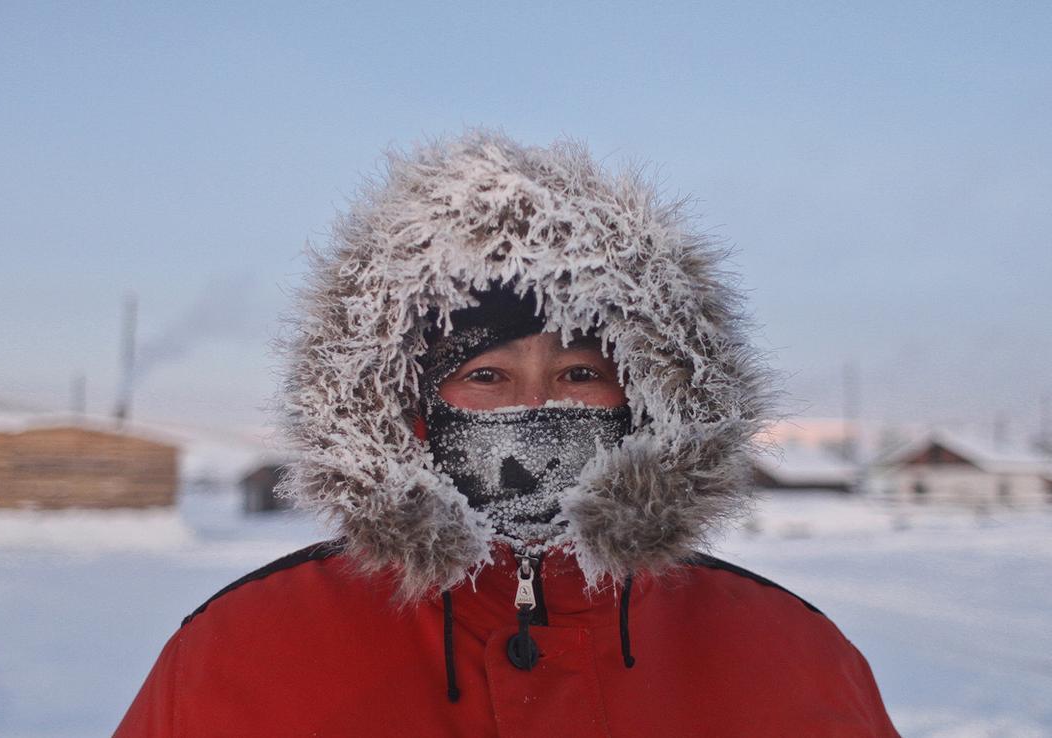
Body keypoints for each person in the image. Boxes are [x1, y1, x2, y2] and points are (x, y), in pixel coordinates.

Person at [115, 131, 898, 736]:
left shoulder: (792, 659)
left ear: (649, 403)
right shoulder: (241, 653)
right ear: (410, 406)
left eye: (580, 374)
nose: (537, 411)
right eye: (486, 376)